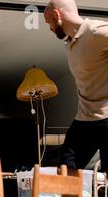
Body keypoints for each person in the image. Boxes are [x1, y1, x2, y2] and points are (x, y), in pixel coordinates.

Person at [44, 0, 108, 176]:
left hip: (107, 114)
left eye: (48, 21)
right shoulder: (71, 42)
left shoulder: (96, 32)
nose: (49, 28)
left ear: (57, 15)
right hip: (85, 117)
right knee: (65, 169)